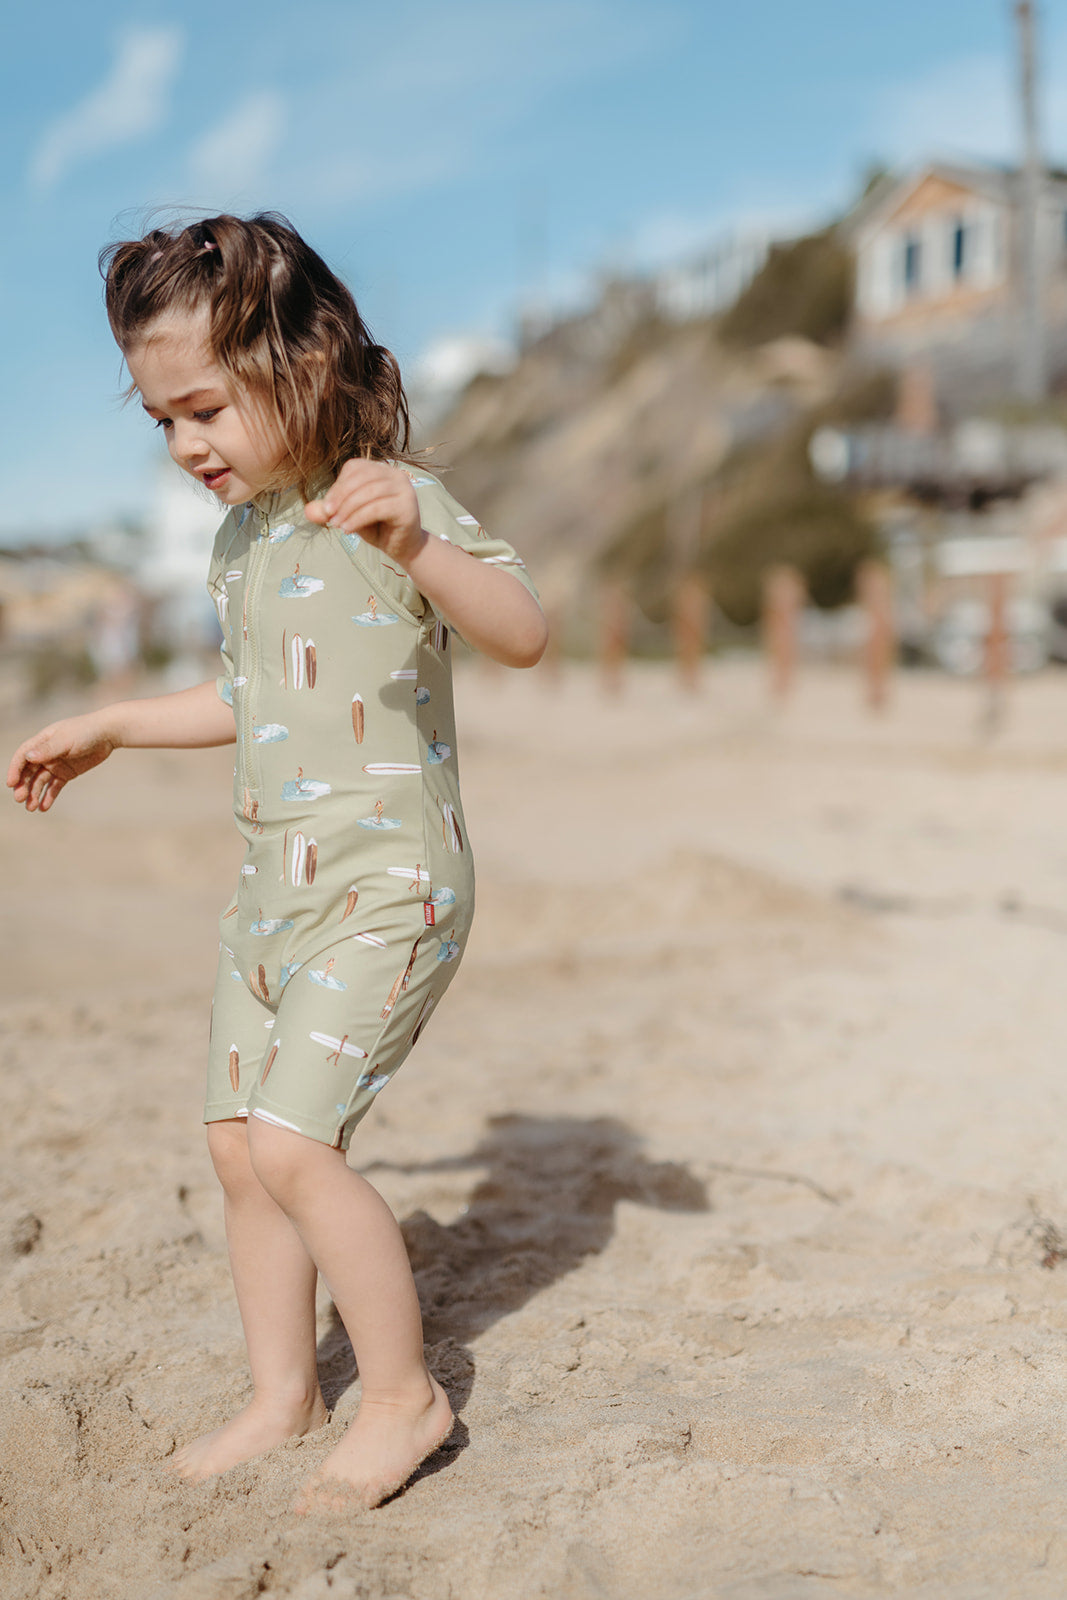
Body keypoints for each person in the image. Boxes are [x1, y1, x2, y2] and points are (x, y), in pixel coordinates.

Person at [6, 214, 547, 1511]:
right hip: (273, 901)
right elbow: (256, 698)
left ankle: (407, 1397)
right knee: (238, 1150)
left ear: (298, 364)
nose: (187, 446)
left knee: (300, 1147)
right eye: (163, 423)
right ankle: (282, 1395)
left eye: (203, 409)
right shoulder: (240, 541)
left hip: (388, 892)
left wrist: (417, 541)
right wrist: (119, 723)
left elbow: (521, 629)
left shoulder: (393, 500)